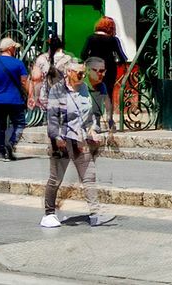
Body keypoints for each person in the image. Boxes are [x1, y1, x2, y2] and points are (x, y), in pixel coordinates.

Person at [41, 57, 115, 228]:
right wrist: (57, 137)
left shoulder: (83, 89)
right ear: (68, 73)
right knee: (55, 179)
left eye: (84, 72)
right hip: (61, 140)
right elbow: (52, 118)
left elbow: (87, 116)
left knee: (89, 177)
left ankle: (95, 213)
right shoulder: (57, 91)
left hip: (80, 140)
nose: (83, 76)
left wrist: (92, 131)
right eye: (79, 73)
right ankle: (49, 213)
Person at [0, 37, 29, 161]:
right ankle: (11, 143)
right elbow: (24, 82)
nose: (15, 50)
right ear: (10, 49)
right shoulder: (18, 64)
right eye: (14, 48)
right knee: (20, 124)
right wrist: (30, 95)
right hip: (15, 100)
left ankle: (0, 152)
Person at [80, 17, 127, 125]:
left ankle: (96, 122)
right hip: (109, 69)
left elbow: (83, 54)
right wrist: (118, 62)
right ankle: (110, 120)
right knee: (108, 93)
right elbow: (122, 56)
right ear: (111, 28)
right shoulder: (113, 40)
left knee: (95, 93)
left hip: (94, 68)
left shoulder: (91, 38)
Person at [29, 32, 71, 108]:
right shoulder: (68, 59)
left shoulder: (41, 59)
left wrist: (33, 96)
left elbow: (35, 78)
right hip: (64, 97)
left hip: (46, 97)